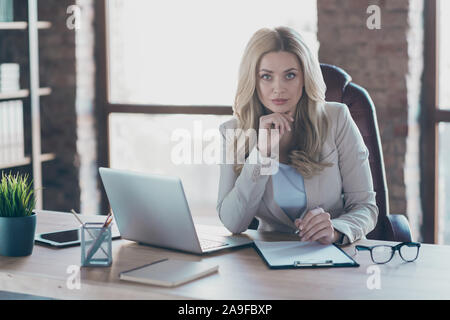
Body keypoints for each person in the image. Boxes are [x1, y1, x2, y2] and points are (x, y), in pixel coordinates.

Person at [216, 26, 378, 245]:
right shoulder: (233, 132)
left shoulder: (337, 118)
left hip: (332, 255)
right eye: (266, 76)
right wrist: (261, 155)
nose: (278, 88)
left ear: (304, 77)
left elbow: (365, 207)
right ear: (253, 81)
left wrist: (336, 231)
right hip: (269, 260)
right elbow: (233, 223)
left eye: (290, 75)